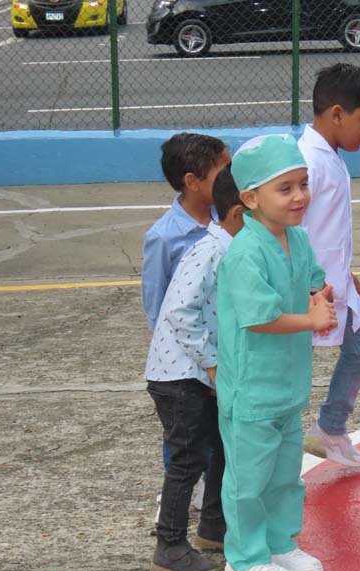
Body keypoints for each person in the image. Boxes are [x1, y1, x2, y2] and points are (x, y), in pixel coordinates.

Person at [216, 134, 338, 571]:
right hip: (253, 390)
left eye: (302, 184)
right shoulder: (245, 252)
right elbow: (260, 317)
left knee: (285, 474)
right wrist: (312, 319)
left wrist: (320, 298)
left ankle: (278, 543)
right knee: (248, 480)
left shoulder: (297, 239)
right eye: (284, 188)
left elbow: (313, 284)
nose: (299, 196)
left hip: (286, 385)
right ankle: (244, 564)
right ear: (250, 199)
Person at [145, 165, 245, 571]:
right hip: (180, 376)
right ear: (240, 213)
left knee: (220, 446)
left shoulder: (228, 248)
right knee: (187, 460)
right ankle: (169, 546)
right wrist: (213, 363)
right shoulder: (211, 251)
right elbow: (180, 312)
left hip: (198, 373)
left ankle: (213, 526)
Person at [298, 63, 360, 468]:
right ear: (336, 114)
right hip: (309, 291)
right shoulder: (307, 163)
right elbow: (293, 230)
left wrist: (346, 273)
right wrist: (309, 286)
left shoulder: (327, 156)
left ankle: (330, 428)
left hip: (333, 286)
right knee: (286, 378)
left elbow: (325, 230)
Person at [142, 133, 231, 519]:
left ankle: (210, 502)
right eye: (224, 170)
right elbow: (159, 305)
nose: (232, 177)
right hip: (184, 356)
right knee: (183, 434)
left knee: (213, 429)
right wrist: (192, 356)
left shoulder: (225, 221)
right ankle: (176, 494)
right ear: (192, 181)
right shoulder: (164, 236)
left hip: (216, 348)